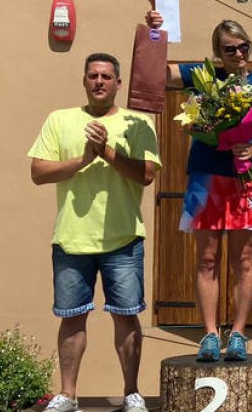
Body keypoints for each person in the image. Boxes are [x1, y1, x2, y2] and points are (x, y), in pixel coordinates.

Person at [146, 12, 252, 362]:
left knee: (245, 259)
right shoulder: (202, 78)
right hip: (206, 177)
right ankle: (209, 333)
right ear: (217, 53)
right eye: (229, 50)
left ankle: (238, 333)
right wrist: (154, 33)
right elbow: (158, 73)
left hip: (246, 178)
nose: (237, 55)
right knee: (207, 258)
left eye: (243, 48)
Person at [28, 53, 160, 412]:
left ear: (118, 83)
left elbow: (146, 175)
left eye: (106, 76)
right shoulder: (60, 120)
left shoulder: (138, 122)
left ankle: (132, 392)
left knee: (126, 315)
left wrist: (107, 152)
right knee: (72, 318)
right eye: (93, 76)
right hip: (72, 237)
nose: (99, 81)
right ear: (84, 81)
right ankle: (68, 394)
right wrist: (84, 160)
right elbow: (38, 172)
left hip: (123, 238)